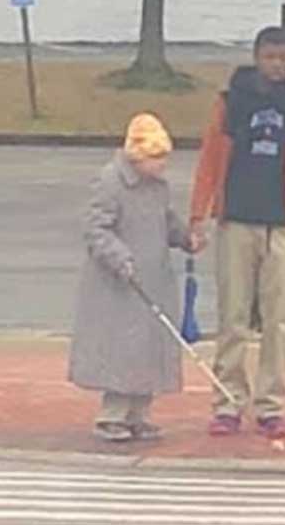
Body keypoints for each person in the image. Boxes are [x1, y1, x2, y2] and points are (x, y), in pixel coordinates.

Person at [190, 26, 285, 440]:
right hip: (238, 221)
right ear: (256, 57)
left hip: (283, 227)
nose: (276, 65)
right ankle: (227, 402)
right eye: (269, 57)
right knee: (233, 318)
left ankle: (271, 405)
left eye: (283, 58)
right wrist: (200, 213)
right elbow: (212, 159)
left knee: (278, 322)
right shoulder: (232, 103)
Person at [69, 112, 204, 443]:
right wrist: (120, 258)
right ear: (138, 156)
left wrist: (186, 238)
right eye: (156, 159)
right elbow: (96, 228)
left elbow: (165, 221)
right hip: (120, 283)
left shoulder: (157, 187)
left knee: (150, 347)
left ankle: (140, 413)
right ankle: (112, 414)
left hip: (153, 278)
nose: (161, 166)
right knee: (122, 347)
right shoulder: (109, 182)